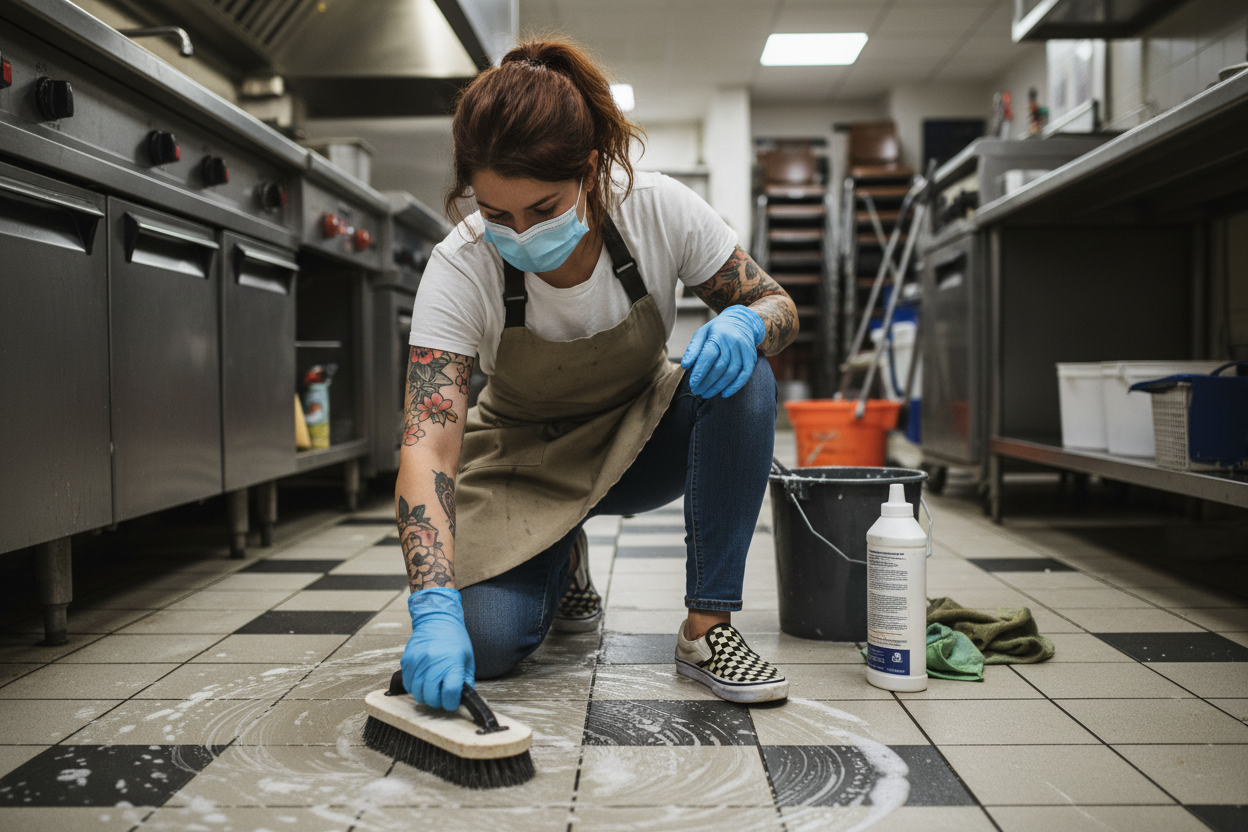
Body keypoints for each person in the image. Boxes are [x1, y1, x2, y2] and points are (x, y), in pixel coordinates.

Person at [395, 37, 799, 713]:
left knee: (745, 376)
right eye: (497, 215)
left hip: (644, 438)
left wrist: (750, 323)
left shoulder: (656, 208)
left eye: (543, 209)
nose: (519, 234)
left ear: (588, 168)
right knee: (489, 647)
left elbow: (776, 302)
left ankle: (707, 630)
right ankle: (565, 562)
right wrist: (432, 608)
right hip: (524, 462)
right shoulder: (459, 266)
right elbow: (428, 443)